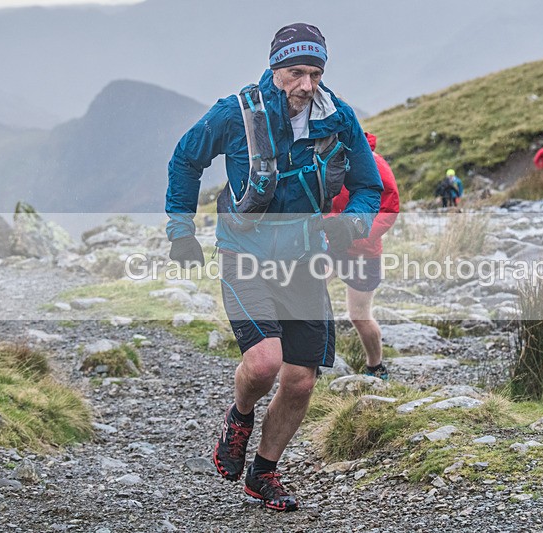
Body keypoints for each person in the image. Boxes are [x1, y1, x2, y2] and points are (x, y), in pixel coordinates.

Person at [165, 23, 382, 511]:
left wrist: (353, 222)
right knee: (264, 363)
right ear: (274, 68)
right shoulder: (237, 113)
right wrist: (181, 232)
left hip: (305, 258)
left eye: (314, 73)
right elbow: (185, 160)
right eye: (295, 72)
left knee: (301, 379)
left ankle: (263, 471)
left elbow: (370, 185)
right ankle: (239, 415)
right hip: (246, 255)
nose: (306, 85)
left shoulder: (338, 117)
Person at [328, 131, 400, 380]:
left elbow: (389, 209)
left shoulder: (372, 162)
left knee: (358, 316)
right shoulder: (319, 156)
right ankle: (304, 361)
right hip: (327, 245)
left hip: (361, 252)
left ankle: (376, 367)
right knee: (305, 296)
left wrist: (357, 234)